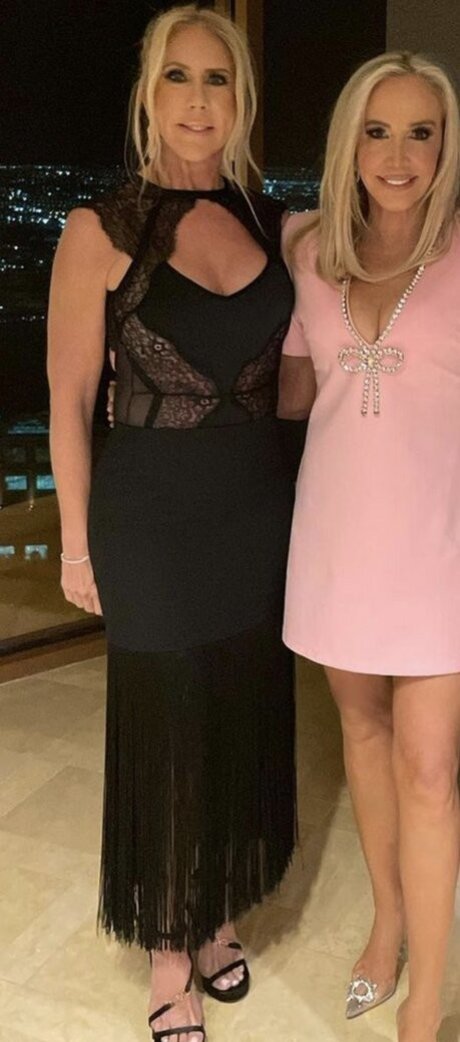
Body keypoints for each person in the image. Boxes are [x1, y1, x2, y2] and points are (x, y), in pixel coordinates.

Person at [47, 6, 302, 1041]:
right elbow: (70, 398)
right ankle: (167, 944)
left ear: (242, 98)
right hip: (148, 516)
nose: (199, 101)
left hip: (257, 510)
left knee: (239, 706)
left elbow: (299, 378)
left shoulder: (270, 219)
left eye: (218, 79)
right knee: (167, 723)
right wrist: (74, 542)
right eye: (179, 77)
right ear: (148, 93)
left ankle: (217, 907)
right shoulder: (100, 228)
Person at [278, 51, 460, 1042]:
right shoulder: (308, 248)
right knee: (364, 737)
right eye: (378, 132)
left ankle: (426, 998)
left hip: (440, 547)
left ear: (446, 146)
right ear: (349, 144)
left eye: (420, 133)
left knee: (430, 770)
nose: (397, 155)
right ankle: (387, 923)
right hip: (338, 538)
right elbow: (294, 393)